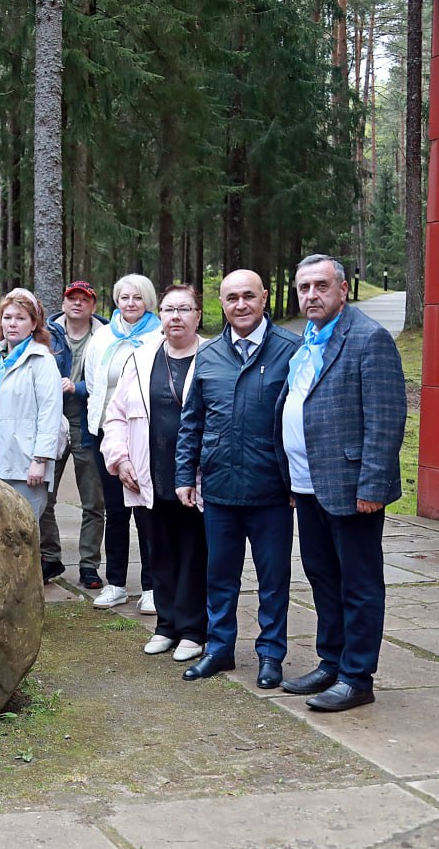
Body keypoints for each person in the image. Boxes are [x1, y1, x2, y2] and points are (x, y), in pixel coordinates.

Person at [277, 255, 406, 712]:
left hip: (352, 489)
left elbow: (387, 419)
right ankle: (331, 661)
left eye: (321, 286)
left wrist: (372, 485)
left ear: (343, 289)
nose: (311, 295)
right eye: (304, 288)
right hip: (308, 484)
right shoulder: (307, 339)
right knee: (323, 578)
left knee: (359, 583)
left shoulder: (368, 338)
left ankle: (357, 676)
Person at [176, 269, 300, 690]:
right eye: (232, 298)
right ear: (222, 303)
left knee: (273, 580)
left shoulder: (290, 350)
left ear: (264, 298)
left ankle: (271, 655)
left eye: (249, 296)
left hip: (273, 493)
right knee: (220, 576)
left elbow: (303, 421)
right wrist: (184, 475)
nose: (241, 305)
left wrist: (299, 480)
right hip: (220, 490)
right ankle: (219, 649)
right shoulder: (208, 357)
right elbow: (191, 422)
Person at [101, 285, 208, 662]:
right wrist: (120, 458)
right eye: (168, 309)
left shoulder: (212, 357)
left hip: (194, 478)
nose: (175, 317)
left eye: (184, 309)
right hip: (149, 472)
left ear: (198, 315)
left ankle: (194, 631)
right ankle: (167, 626)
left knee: (194, 554)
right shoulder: (141, 358)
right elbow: (115, 414)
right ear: (159, 315)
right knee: (157, 553)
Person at [84, 274, 161, 612]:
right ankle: (115, 582)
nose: (130, 304)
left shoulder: (158, 336)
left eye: (138, 298)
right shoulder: (102, 338)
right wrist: (95, 426)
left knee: (146, 511)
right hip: (108, 433)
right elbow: (92, 382)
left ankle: (152, 586)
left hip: (145, 434)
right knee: (115, 512)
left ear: (148, 301)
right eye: (124, 297)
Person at [40, 280, 107, 587]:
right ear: (64, 302)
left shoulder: (106, 336)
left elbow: (110, 380)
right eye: (72, 298)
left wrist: (77, 387)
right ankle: (49, 557)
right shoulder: (47, 333)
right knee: (43, 494)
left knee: (93, 500)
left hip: (87, 420)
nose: (77, 303)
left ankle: (89, 565)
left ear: (93, 305)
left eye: (84, 299)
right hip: (52, 419)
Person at [0, 288, 64, 519]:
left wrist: (40, 460)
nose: (12, 324)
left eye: (20, 318)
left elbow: (50, 413)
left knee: (23, 534)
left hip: (25, 464)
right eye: (8, 318)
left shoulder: (41, 360)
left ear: (34, 324)